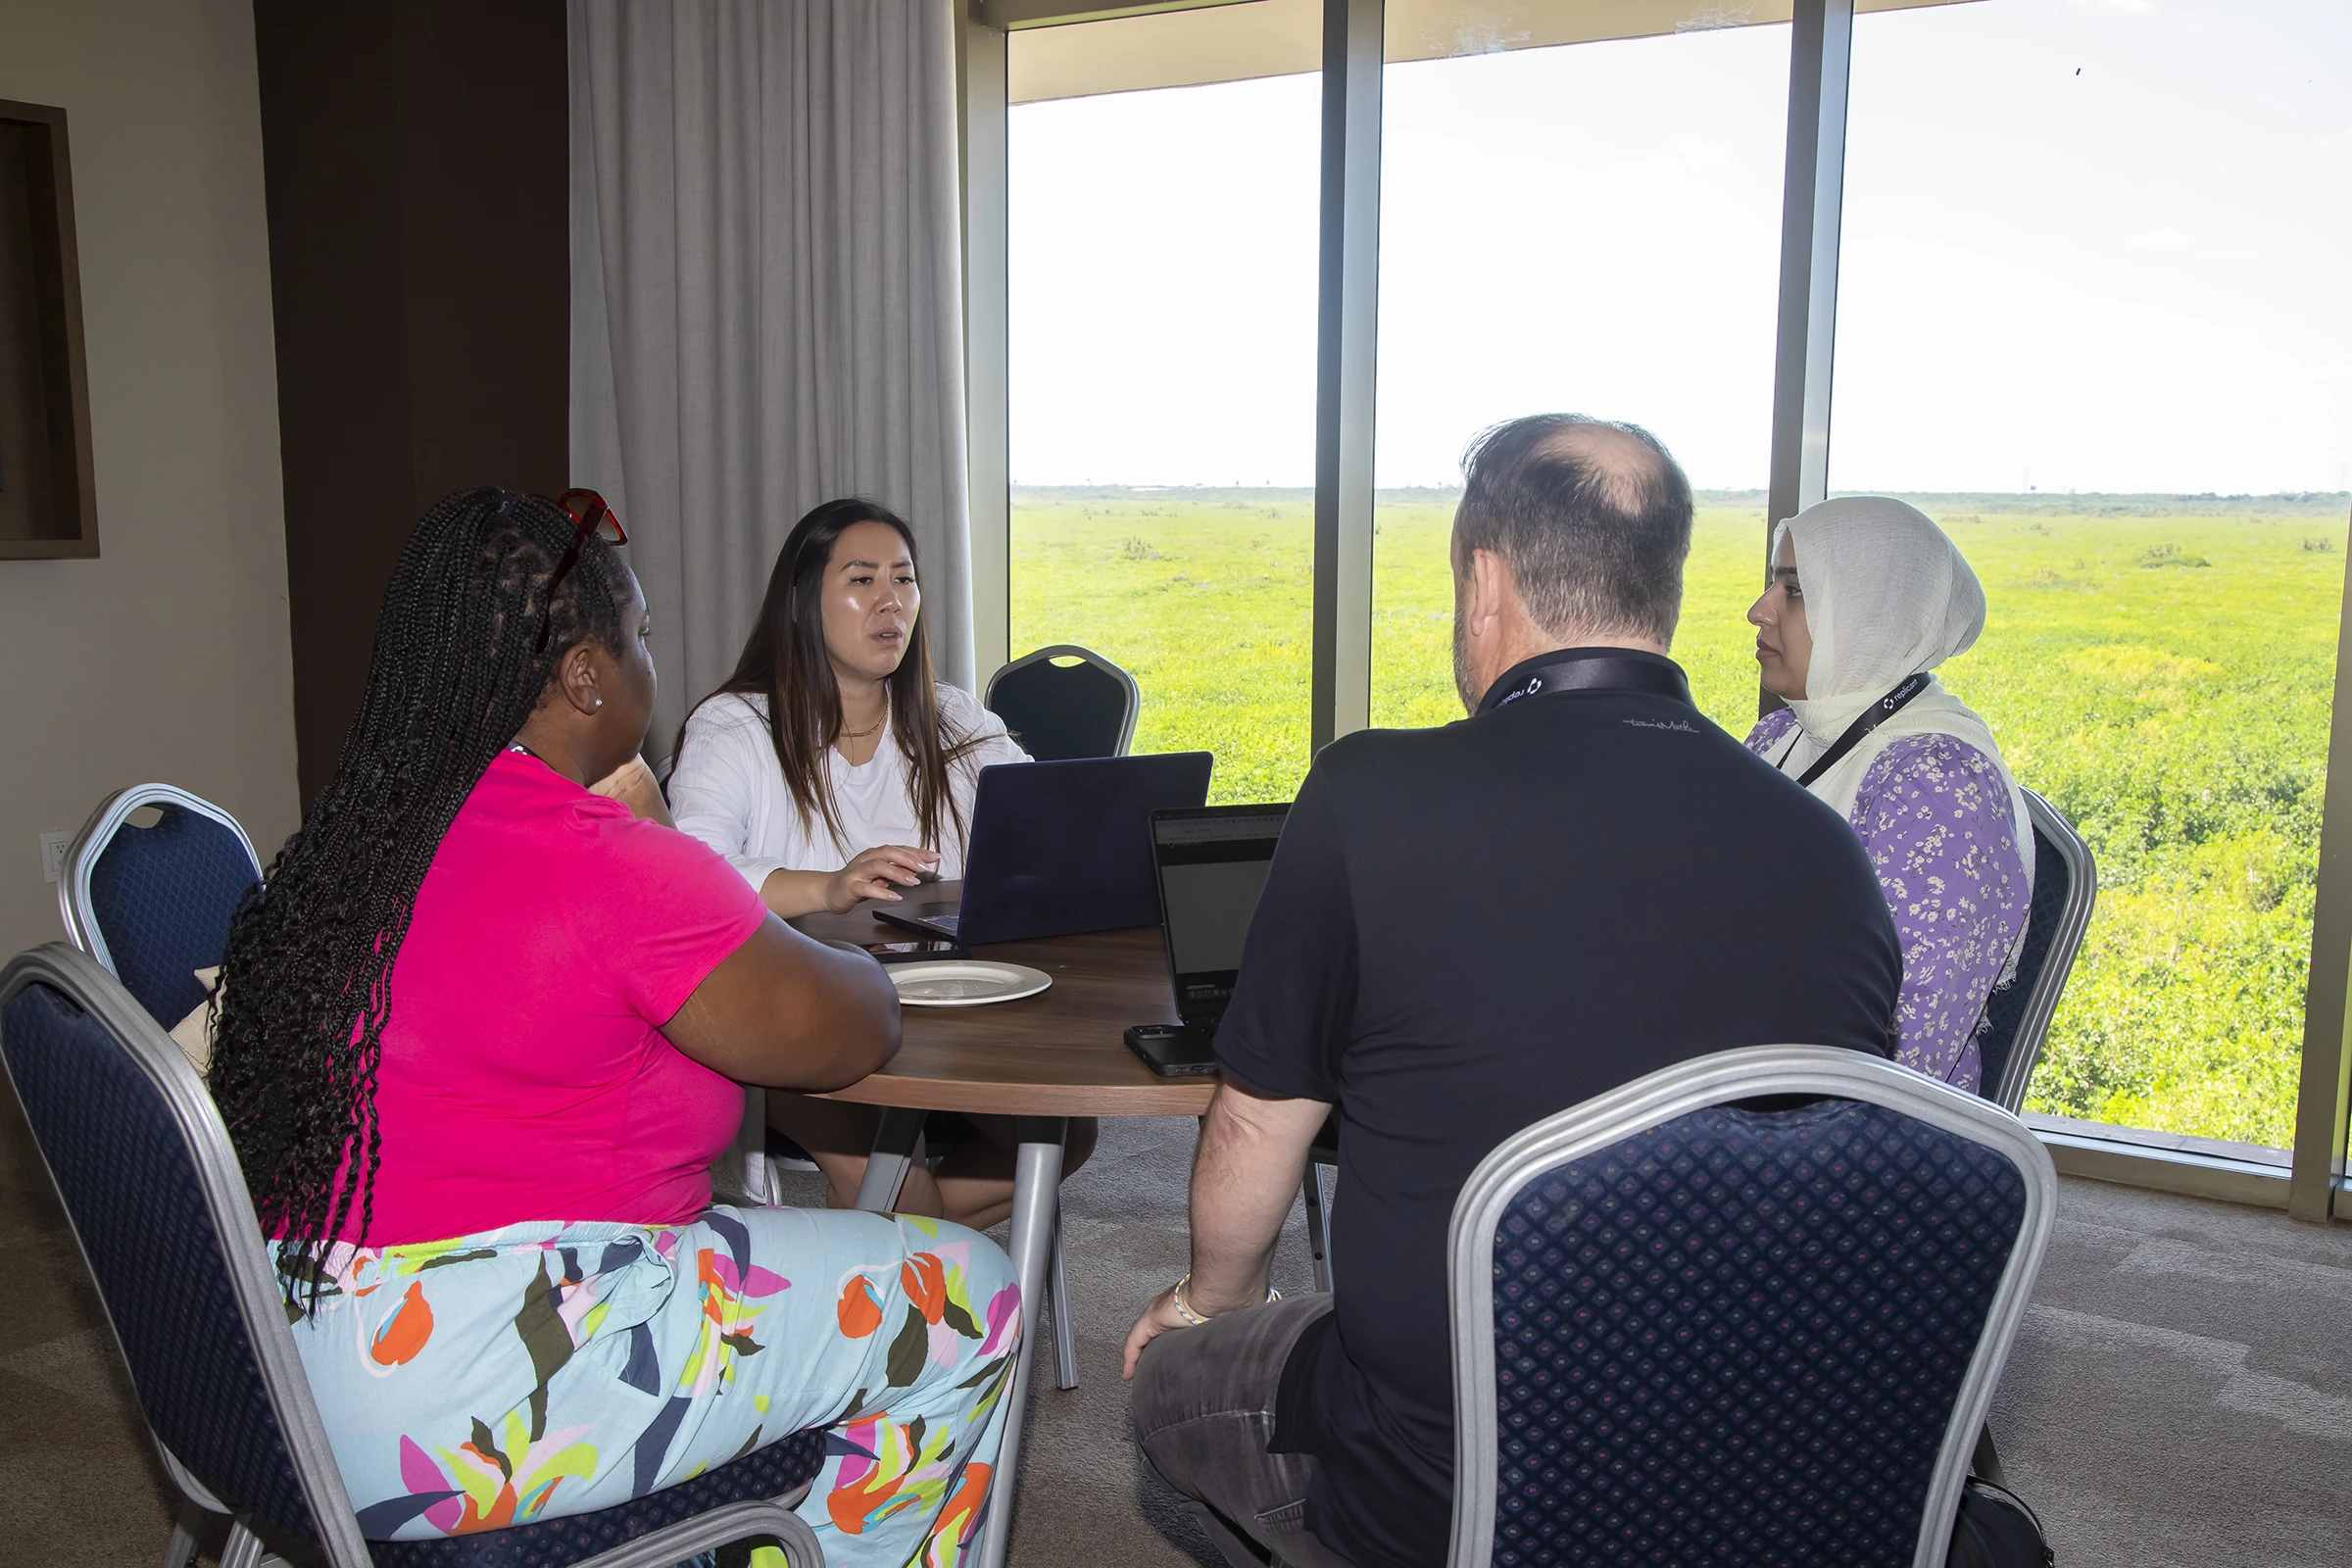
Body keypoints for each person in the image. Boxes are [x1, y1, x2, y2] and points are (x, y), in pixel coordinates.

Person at [1120, 416, 1905, 1568]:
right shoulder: (1825, 850)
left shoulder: (1369, 794)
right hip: (1759, 1459)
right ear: (1665, 593)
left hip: (1452, 1486)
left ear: (1483, 584)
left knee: (1171, 1393)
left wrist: (1207, 1301)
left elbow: (1254, 1117)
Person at [209, 489, 1019, 1566]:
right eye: (638, 637)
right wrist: (674, 848)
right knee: (971, 1292)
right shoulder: (608, 860)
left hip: (273, 1374)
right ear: (586, 674)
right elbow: (853, 1026)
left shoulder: (360, 832)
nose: (650, 664)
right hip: (478, 1388)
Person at [668, 497, 1095, 1228]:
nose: (890, 601)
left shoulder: (954, 717)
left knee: (1063, 1135)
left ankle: (876, 1257)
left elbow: (1043, 819)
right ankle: (911, 1275)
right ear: (804, 601)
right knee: (888, 1176)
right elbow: (689, 878)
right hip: (796, 1009)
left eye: (904, 579)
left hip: (943, 1000)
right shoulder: (735, 725)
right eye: (862, 580)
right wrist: (828, 887)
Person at [1745, 496, 2035, 1094]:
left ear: (1869, 615)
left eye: (1793, 592)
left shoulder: (1939, 785)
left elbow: (1905, 1046)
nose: (1758, 611)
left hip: (1854, 1133)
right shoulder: (1783, 734)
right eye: (1773, 585)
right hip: (1750, 1073)